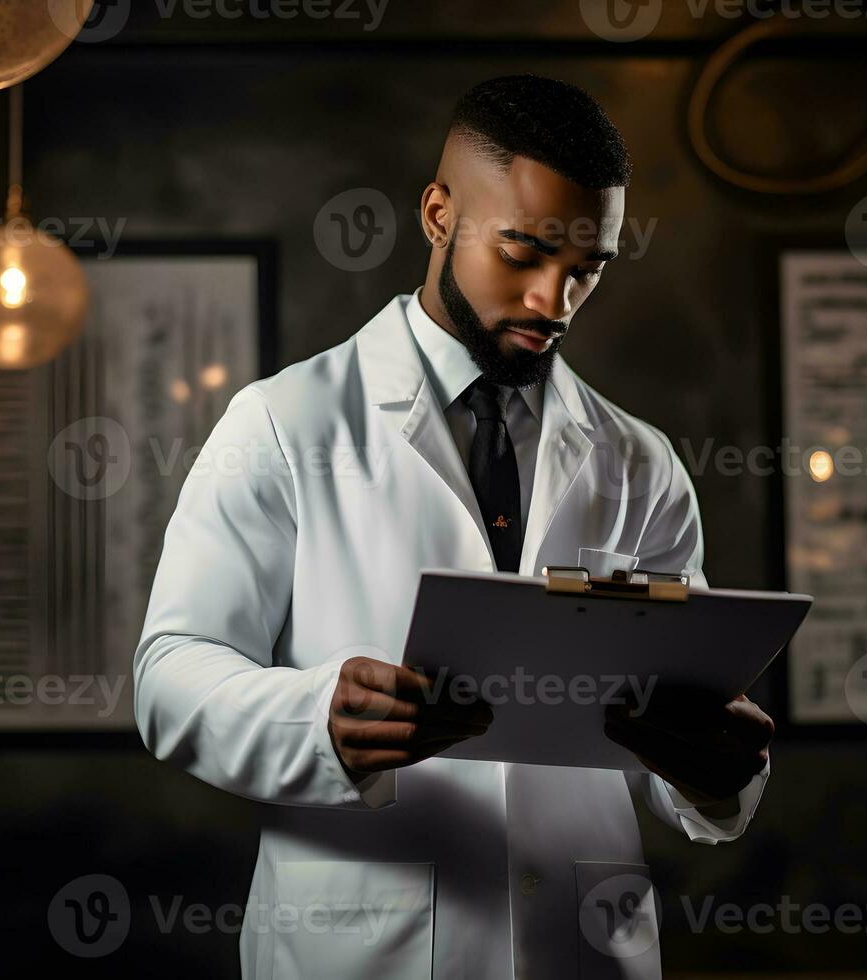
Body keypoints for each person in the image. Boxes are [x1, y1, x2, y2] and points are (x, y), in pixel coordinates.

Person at [134, 73, 774, 979]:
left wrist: (713, 772)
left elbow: (673, 761)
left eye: (585, 271)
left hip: (582, 949)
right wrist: (317, 718)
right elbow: (169, 676)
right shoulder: (284, 424)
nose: (554, 303)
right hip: (360, 950)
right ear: (438, 213)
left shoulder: (641, 462)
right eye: (524, 252)